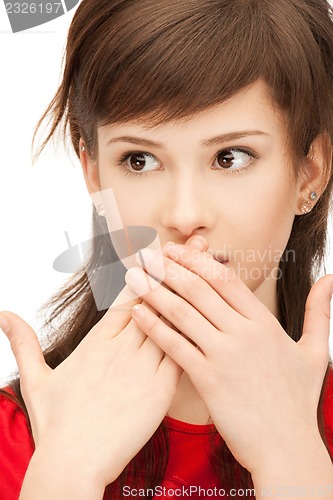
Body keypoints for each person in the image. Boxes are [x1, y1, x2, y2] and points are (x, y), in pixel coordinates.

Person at [1, 0, 333, 498]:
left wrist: (292, 461)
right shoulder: (22, 436)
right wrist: (65, 472)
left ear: (310, 171)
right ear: (94, 174)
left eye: (231, 157)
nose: (183, 214)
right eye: (139, 160)